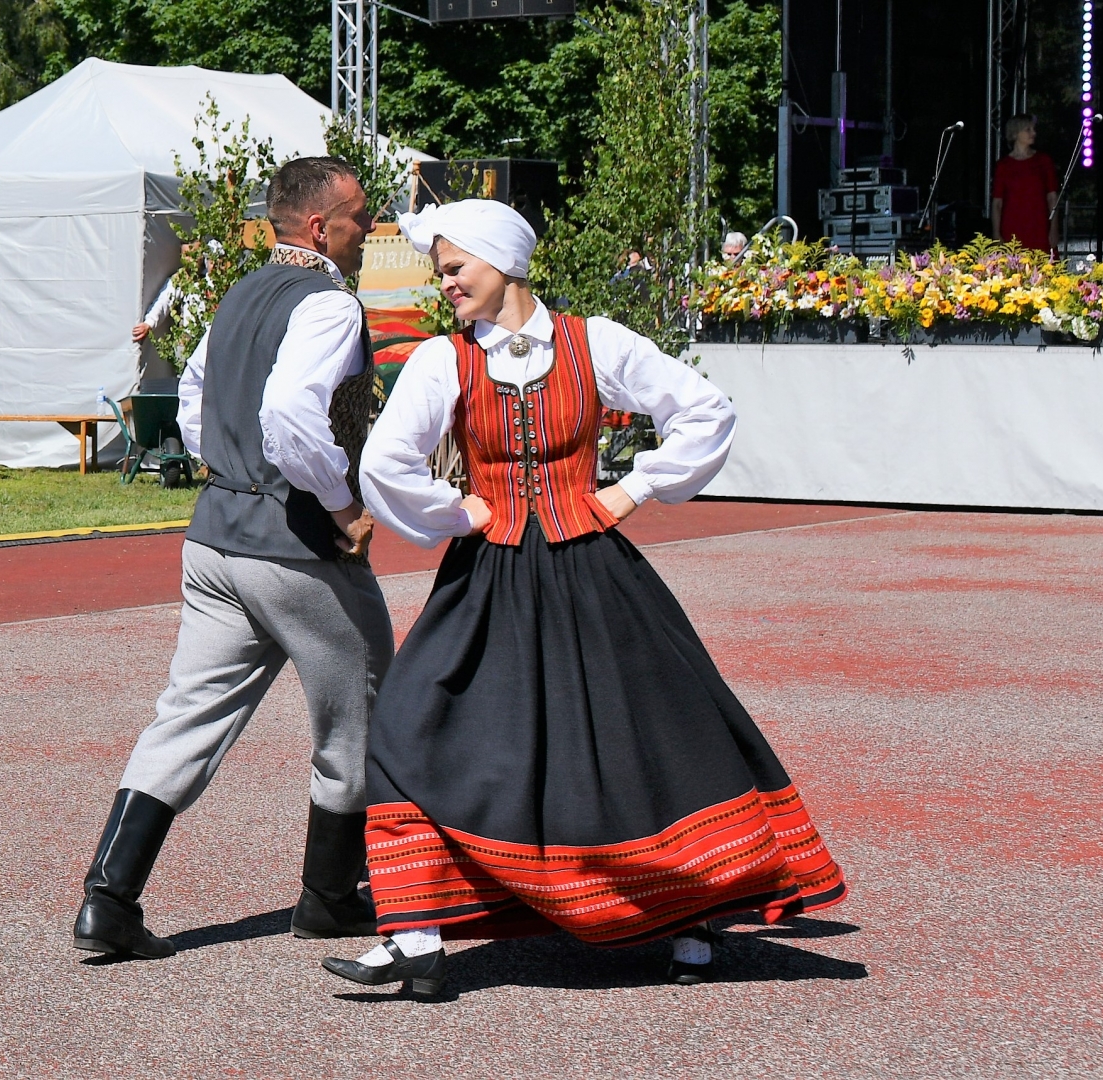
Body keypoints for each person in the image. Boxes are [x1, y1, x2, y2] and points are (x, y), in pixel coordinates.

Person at [322, 201, 848, 997]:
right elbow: (385, 462)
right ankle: (416, 934)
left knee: (649, 734)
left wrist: (632, 489)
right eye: (441, 270)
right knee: (409, 722)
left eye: (456, 266)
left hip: (593, 571)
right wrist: (457, 512)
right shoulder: (443, 359)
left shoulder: (594, 341)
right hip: (490, 576)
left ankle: (691, 917)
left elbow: (705, 410)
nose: (446, 282)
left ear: (503, 261)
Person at [72, 156, 394, 961]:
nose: (368, 228)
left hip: (216, 536)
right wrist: (342, 506)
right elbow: (290, 413)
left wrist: (231, 469)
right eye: (359, 215)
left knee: (187, 715)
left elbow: (192, 399)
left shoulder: (241, 293)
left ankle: (108, 899)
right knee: (360, 712)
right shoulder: (329, 304)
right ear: (320, 226)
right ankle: (329, 898)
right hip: (297, 546)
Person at [990, 114, 1058, 251]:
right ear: (1015, 133)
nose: (1034, 133)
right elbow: (997, 203)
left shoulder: (1043, 161)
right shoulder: (1003, 166)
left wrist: (1054, 228)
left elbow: (1052, 198)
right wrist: (996, 233)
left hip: (1039, 226)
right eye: (1028, 130)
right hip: (1011, 226)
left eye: (1033, 129)